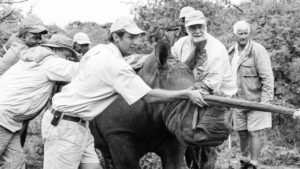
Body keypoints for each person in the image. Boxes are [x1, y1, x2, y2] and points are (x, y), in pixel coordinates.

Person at [42, 16, 207, 169]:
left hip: (79, 124)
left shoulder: (99, 50)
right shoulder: (116, 66)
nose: (135, 42)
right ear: (115, 37)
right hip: (64, 125)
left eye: (137, 37)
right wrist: (187, 93)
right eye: (130, 37)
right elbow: (149, 96)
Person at [0, 34, 79, 169]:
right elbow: (80, 71)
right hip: (3, 118)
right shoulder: (51, 62)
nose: (67, 59)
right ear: (56, 49)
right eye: (66, 56)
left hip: (9, 120)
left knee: (14, 163)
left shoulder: (34, 58)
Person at [171, 10, 237, 168]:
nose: (197, 31)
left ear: (205, 26)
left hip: (217, 98)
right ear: (186, 28)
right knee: (188, 140)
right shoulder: (181, 44)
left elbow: (211, 83)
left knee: (206, 143)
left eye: (200, 26)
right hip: (192, 94)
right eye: (192, 27)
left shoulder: (216, 49)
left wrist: (186, 89)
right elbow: (172, 62)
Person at [228, 20, 274, 169]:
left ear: (249, 34)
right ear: (234, 35)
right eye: (240, 33)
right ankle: (245, 160)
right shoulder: (231, 52)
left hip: (256, 100)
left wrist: (265, 102)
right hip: (237, 100)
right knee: (241, 132)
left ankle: (253, 164)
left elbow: (267, 78)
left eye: (245, 33)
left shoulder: (257, 50)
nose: (243, 37)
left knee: (254, 132)